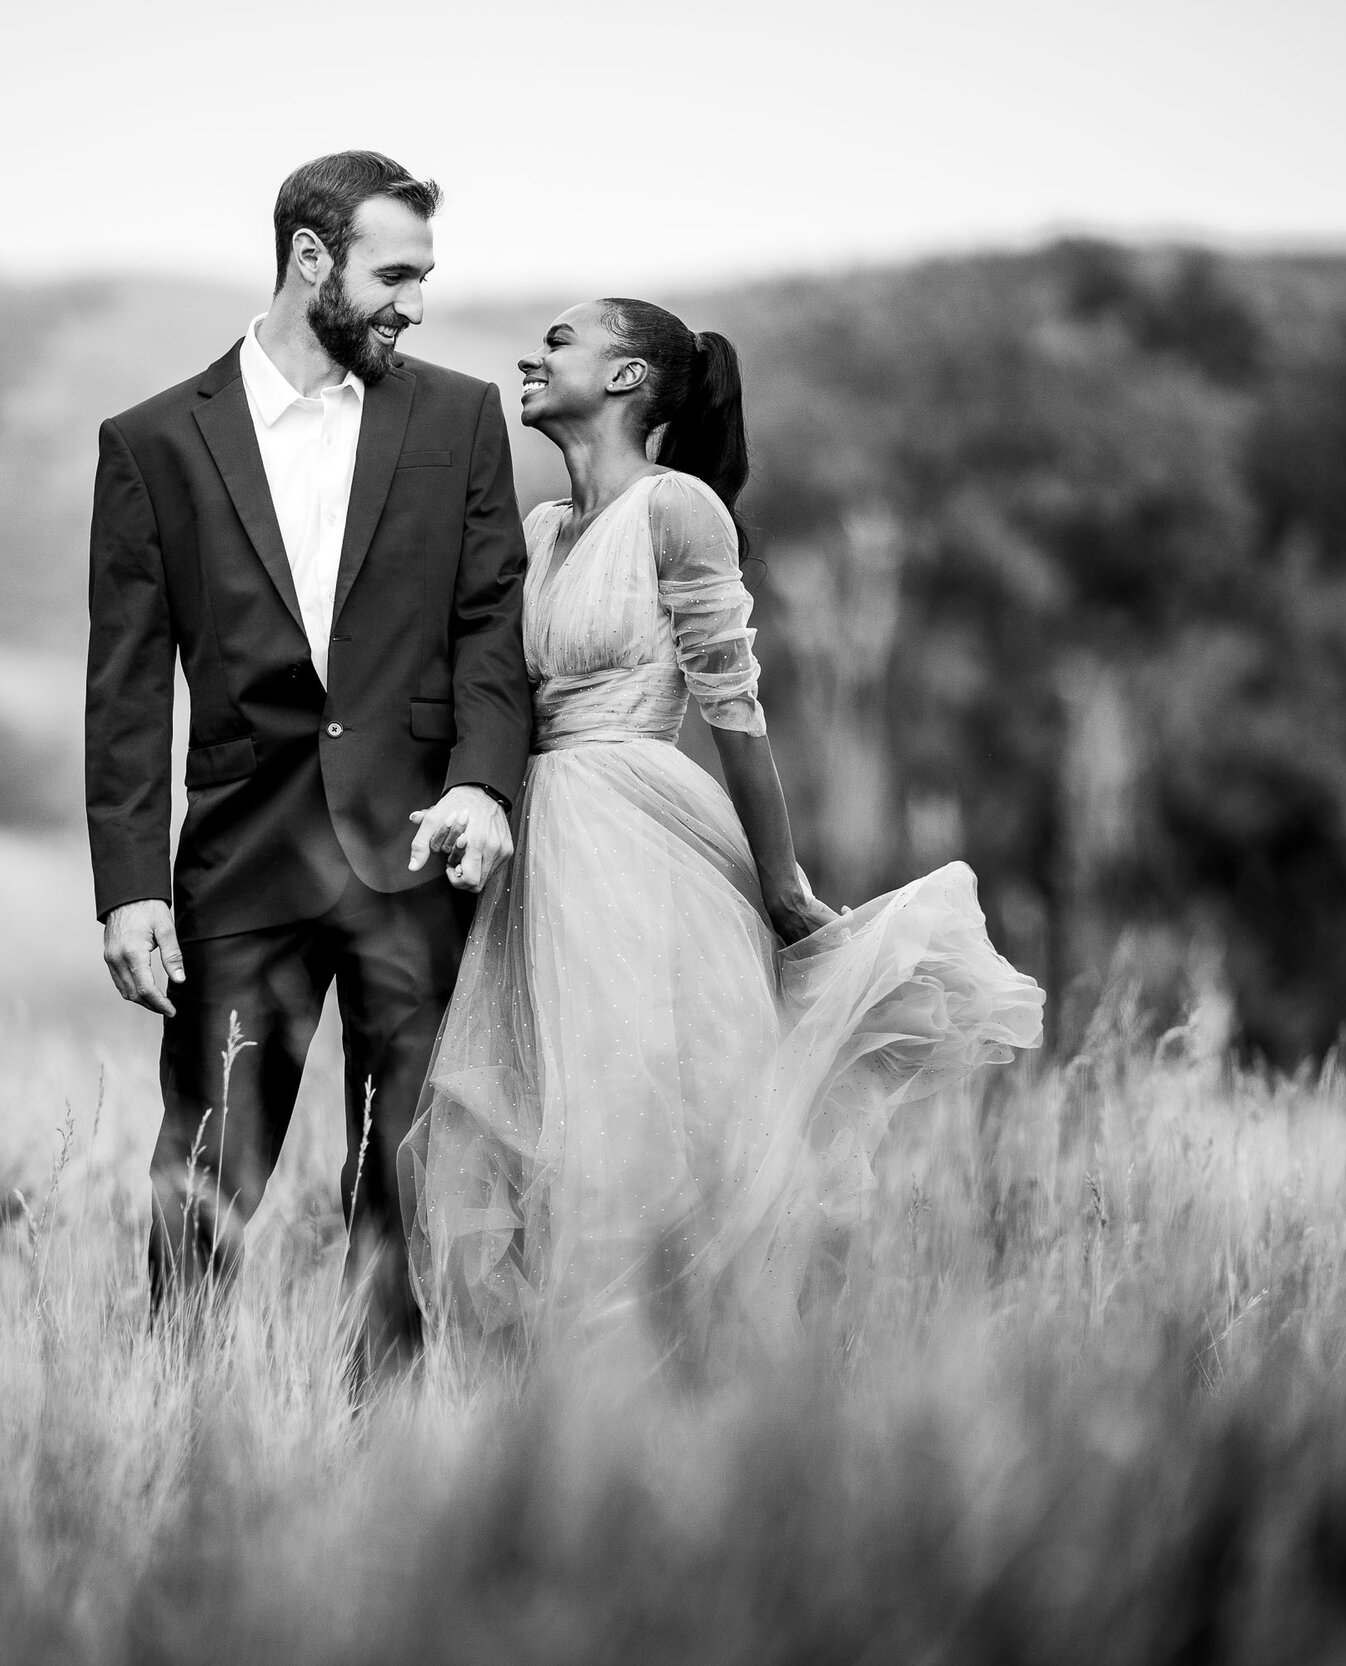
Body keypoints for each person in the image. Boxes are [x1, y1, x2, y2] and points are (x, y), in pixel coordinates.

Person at [402, 299, 1044, 1353]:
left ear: (626, 379)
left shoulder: (678, 508)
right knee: (536, 1138)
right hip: (537, 852)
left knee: (639, 1135)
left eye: (561, 339)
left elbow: (734, 706)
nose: (534, 351)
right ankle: (559, 1418)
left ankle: (668, 1392)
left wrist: (783, 881)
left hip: (634, 842)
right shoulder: (539, 530)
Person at [85, 151, 531, 1368]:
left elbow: (491, 621)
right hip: (243, 875)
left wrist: (485, 783)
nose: (417, 304)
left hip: (412, 864)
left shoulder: (457, 418)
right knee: (203, 1187)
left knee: (402, 1191)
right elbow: (125, 684)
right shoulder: (155, 445)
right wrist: (128, 887)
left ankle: (375, 1453)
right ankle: (173, 1434)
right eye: (397, 273)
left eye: (426, 277)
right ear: (310, 258)